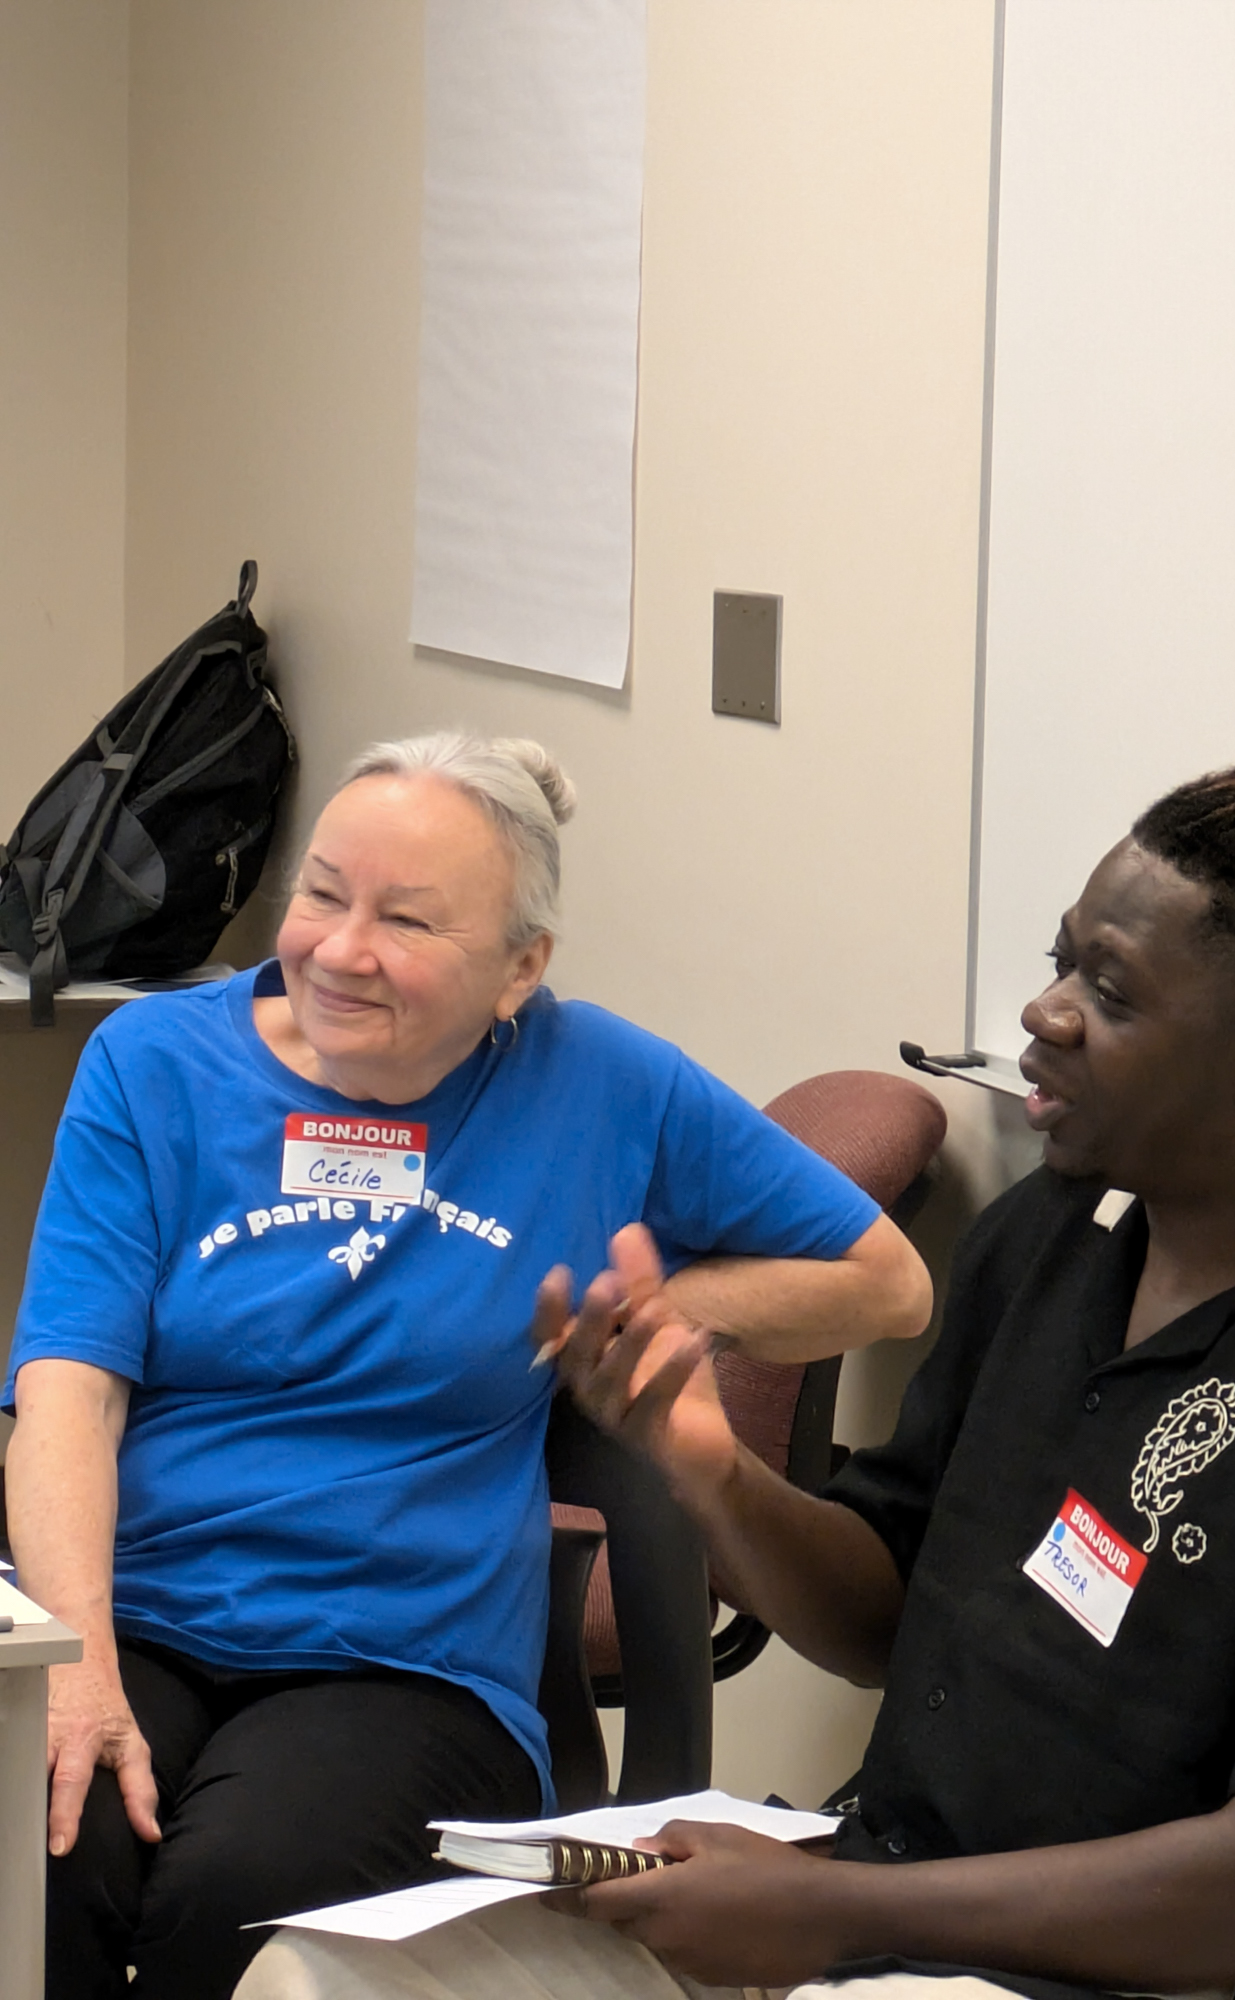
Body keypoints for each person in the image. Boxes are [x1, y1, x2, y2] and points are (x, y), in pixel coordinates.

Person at [241, 758, 1235, 2000]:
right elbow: (879, 1620)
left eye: (1108, 991)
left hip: (1136, 1973)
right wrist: (711, 1470)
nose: (1044, 1013)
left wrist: (826, 1914)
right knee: (320, 1977)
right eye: (1060, 960)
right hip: (892, 1897)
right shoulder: (1052, 1231)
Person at [2, 730, 932, 2000]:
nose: (340, 948)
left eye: (405, 919)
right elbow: (69, 1386)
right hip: (133, 1606)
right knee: (39, 1849)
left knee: (235, 1896)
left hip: (399, 1657)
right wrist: (75, 1666)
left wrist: (663, 1307)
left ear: (519, 967)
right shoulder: (154, 1062)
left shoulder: (598, 1082)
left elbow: (887, 1279)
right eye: (322, 893)